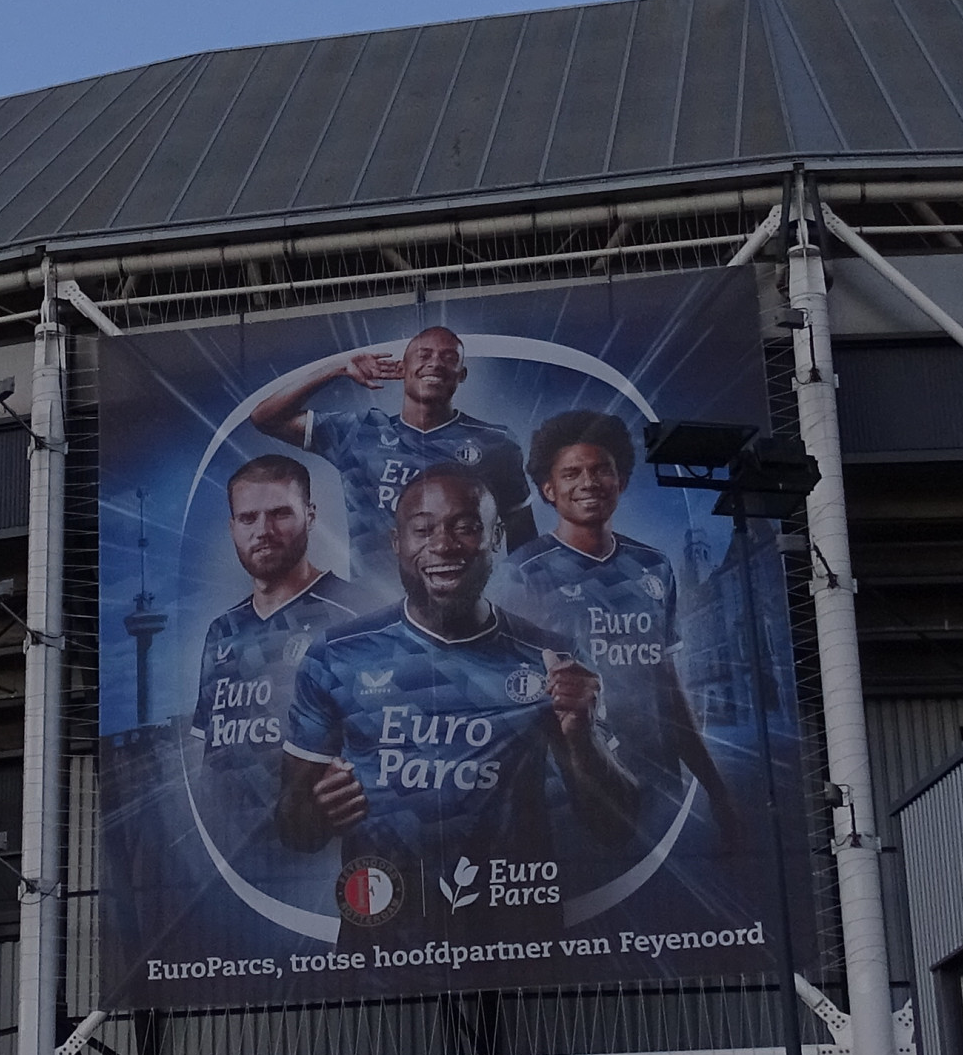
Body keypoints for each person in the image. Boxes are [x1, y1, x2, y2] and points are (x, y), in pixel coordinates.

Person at [275, 465, 657, 937]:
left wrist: (581, 738)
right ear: (397, 543)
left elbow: (616, 828)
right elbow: (294, 827)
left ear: (496, 538)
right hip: (382, 947)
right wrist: (316, 810)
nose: (443, 544)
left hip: (516, 948)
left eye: (466, 526)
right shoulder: (336, 655)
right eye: (423, 529)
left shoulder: (550, 658)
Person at [500, 408, 731, 817]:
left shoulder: (653, 566)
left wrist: (718, 791)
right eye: (571, 474)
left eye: (600, 470)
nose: (588, 483)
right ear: (549, 489)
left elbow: (669, 688)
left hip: (657, 780)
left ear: (620, 481)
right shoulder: (523, 572)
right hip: (573, 792)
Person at [247, 323, 534, 584]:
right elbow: (265, 418)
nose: (435, 363)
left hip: (460, 614)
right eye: (423, 355)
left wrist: (521, 602)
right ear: (403, 367)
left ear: (462, 374)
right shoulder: (359, 433)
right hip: (375, 611)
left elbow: (524, 542)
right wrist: (337, 368)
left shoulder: (496, 443)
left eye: (448, 357)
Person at [187, 456, 368, 840]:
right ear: (232, 527)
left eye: (280, 514)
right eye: (249, 518)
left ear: (311, 516)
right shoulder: (223, 630)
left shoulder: (358, 614)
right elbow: (209, 759)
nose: (264, 531)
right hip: (231, 858)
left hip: (323, 855)